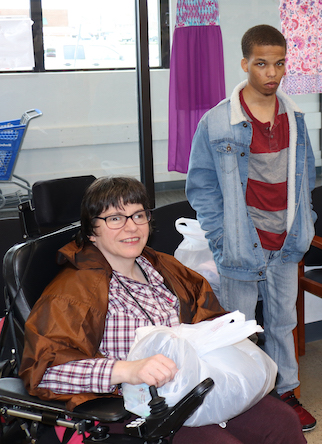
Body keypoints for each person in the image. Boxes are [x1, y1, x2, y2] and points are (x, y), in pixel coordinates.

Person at [19, 176, 306, 444]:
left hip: (194, 384)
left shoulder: (162, 267)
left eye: (138, 215)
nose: (131, 227)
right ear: (92, 232)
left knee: (282, 423)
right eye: (115, 218)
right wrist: (127, 370)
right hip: (133, 404)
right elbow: (44, 371)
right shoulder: (71, 292)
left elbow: (207, 316)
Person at [185, 24, 317, 431]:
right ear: (244, 64)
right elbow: (201, 185)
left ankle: (287, 392)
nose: (271, 73)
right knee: (238, 326)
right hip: (241, 244)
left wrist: (304, 225)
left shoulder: (295, 117)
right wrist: (221, 238)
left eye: (278, 64)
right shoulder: (217, 121)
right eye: (261, 64)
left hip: (286, 242)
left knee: (283, 323)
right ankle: (239, 399)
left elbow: (305, 176)